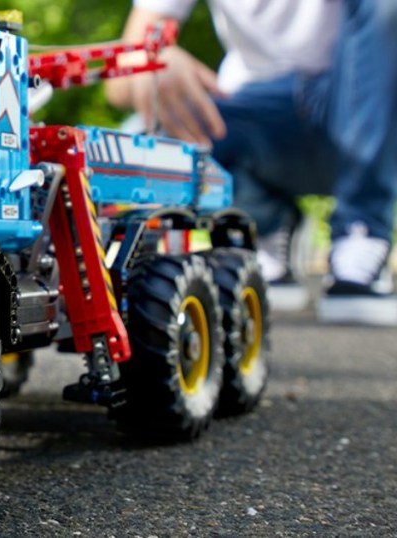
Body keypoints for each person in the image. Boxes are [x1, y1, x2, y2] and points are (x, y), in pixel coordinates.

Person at [106, 0, 397, 326]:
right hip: (256, 114)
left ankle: (362, 230)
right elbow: (117, 85)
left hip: (367, 105)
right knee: (150, 136)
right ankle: (265, 223)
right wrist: (154, 59)